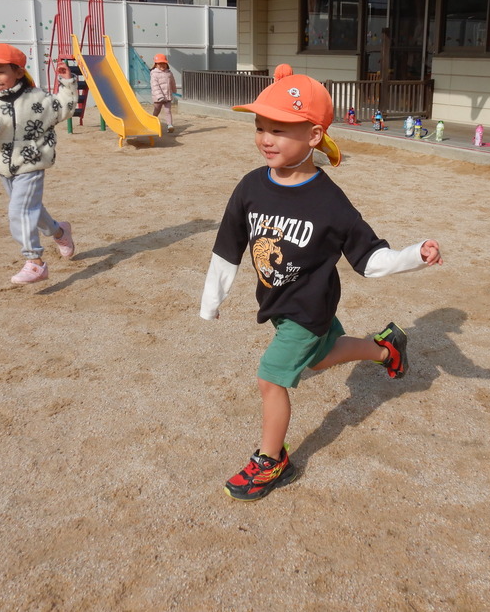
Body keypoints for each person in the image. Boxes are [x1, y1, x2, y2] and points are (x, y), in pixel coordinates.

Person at [200, 65, 443, 501]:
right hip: (279, 301)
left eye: (279, 129)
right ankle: (385, 349)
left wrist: (414, 254)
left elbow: (369, 258)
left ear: (313, 136)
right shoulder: (251, 186)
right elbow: (228, 243)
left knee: (271, 379)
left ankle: (272, 461)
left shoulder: (330, 202)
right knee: (319, 358)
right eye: (260, 127)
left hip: (308, 308)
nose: (265, 138)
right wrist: (211, 299)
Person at [0, 43, 78, 285]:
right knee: (31, 210)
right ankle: (59, 232)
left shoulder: (37, 98)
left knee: (20, 210)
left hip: (31, 162)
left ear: (18, 71)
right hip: (3, 166)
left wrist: (67, 84)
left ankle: (34, 262)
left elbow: (62, 109)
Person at [150, 53, 177, 133]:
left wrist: (174, 90)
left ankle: (170, 125)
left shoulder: (169, 73)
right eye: (160, 64)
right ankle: (151, 122)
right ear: (155, 64)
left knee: (168, 111)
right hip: (158, 98)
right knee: (156, 110)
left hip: (167, 96)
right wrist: (160, 96)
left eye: (164, 63)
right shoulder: (154, 74)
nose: (162, 65)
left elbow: (172, 82)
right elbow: (155, 86)